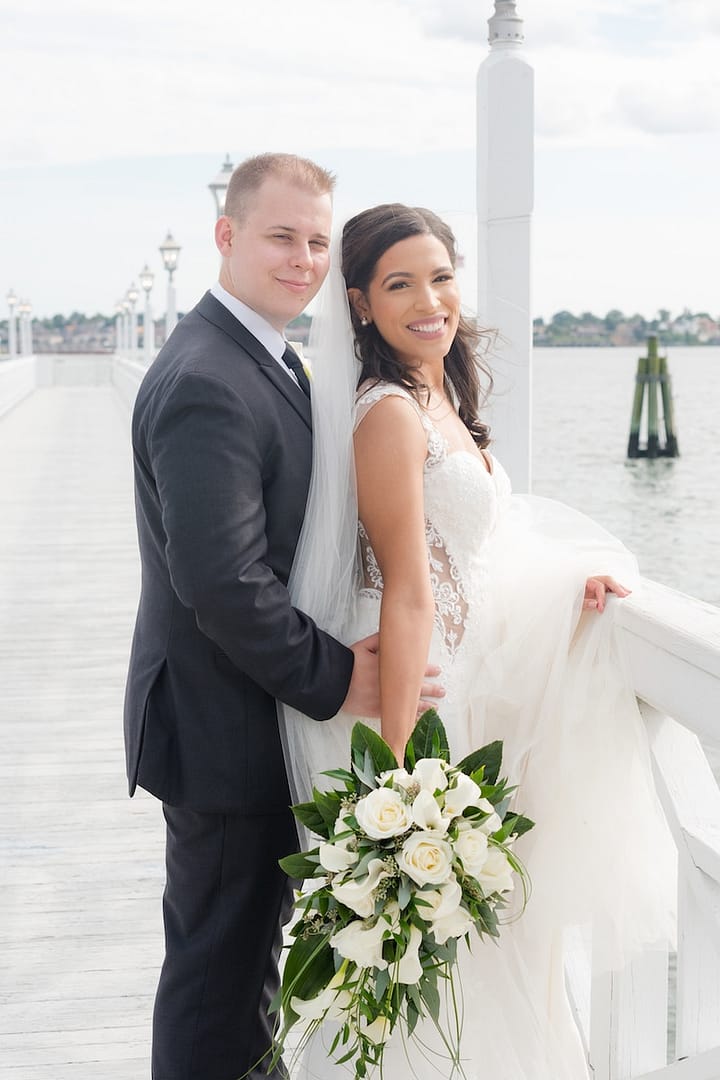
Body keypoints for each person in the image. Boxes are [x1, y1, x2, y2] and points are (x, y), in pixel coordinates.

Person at [281, 204, 675, 1079]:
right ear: (358, 304)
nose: (430, 300)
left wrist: (567, 590)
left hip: (471, 683)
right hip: (422, 702)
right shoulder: (386, 412)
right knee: (437, 954)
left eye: (442, 276)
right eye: (400, 284)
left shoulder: (439, 393)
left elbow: (477, 554)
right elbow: (410, 588)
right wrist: (394, 779)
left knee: (488, 946)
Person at [123, 156, 444, 1080]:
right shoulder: (208, 379)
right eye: (280, 236)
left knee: (242, 975)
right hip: (219, 727)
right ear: (226, 236)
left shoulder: (267, 356)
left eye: (316, 240)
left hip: (243, 716)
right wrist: (343, 675)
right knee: (218, 982)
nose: (303, 258)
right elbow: (222, 581)